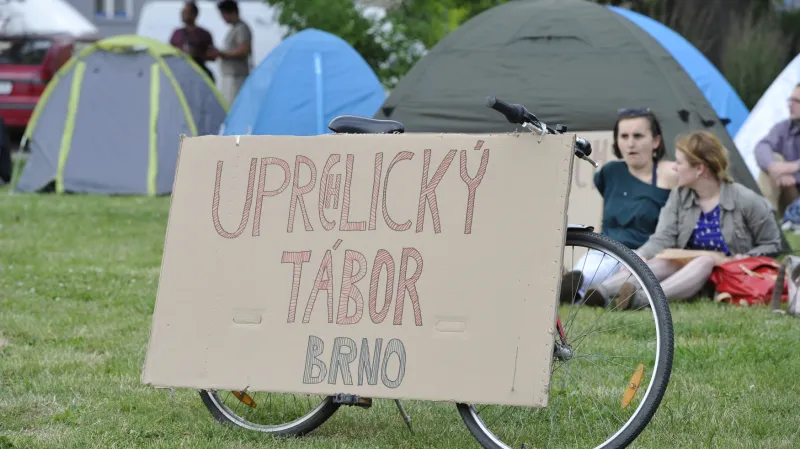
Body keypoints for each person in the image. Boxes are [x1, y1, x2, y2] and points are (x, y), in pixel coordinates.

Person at [584, 130, 783, 310]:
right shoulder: (680, 195)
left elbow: (773, 244)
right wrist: (641, 255)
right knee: (666, 260)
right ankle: (601, 292)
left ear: (700, 169)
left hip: (725, 273)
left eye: (679, 163)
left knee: (704, 260)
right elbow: (663, 237)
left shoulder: (746, 199)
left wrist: (744, 258)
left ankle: (643, 300)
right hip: (685, 270)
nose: (674, 168)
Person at [561, 108, 678, 304]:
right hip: (606, 249)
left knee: (608, 273)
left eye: (638, 136)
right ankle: (574, 288)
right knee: (587, 270)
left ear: (656, 141)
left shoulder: (671, 174)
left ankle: (586, 294)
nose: (630, 143)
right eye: (624, 136)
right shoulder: (610, 172)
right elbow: (605, 215)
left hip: (644, 255)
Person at [754, 82, 800, 216]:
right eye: (790, 100)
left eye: (796, 101)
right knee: (771, 162)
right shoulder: (785, 127)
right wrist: (773, 167)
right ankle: (765, 216)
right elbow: (761, 146)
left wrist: (794, 169)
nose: (790, 105)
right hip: (791, 194)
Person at [208, 0, 252, 106]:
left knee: (232, 107)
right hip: (229, 76)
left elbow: (243, 50)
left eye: (224, 14)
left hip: (236, 77)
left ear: (232, 12)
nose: (223, 18)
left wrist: (222, 54)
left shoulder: (242, 28)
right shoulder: (234, 29)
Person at [169, 1, 216, 82]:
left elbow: (213, 56)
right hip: (180, 73)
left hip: (198, 72)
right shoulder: (177, 33)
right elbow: (169, 52)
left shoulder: (203, 34)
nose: (182, 14)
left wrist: (197, 54)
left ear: (194, 14)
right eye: (182, 12)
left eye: (186, 12)